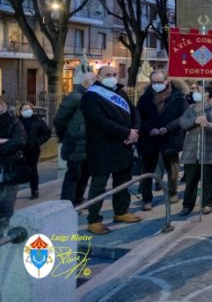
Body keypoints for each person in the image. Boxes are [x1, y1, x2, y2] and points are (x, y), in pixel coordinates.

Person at [81, 66, 142, 235]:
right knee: (98, 185)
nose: (113, 77)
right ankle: (93, 219)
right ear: (99, 77)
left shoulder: (119, 93)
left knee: (123, 181)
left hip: (124, 145)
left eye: (115, 74)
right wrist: (126, 132)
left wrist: (134, 131)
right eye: (108, 75)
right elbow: (99, 121)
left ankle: (121, 212)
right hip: (102, 147)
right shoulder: (91, 96)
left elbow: (134, 111)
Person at [136, 70, 187, 211]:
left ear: (167, 81)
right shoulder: (145, 98)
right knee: (147, 171)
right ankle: (147, 199)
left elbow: (182, 117)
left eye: (160, 82)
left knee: (172, 168)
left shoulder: (178, 97)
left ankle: (172, 192)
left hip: (170, 138)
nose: (157, 85)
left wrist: (168, 127)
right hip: (149, 139)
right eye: (154, 82)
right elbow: (139, 118)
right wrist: (149, 129)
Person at [178, 82, 212, 216]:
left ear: (207, 92)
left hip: (210, 150)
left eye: (197, 89)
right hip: (192, 150)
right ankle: (187, 205)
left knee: (208, 180)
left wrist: (209, 124)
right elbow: (182, 122)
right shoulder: (191, 108)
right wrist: (194, 121)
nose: (194, 91)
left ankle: (207, 204)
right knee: (190, 180)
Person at [56, 72, 95, 206]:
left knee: (85, 174)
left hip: (89, 144)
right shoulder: (75, 97)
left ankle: (78, 200)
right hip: (75, 144)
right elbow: (60, 120)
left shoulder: (91, 97)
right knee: (74, 175)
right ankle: (67, 204)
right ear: (87, 82)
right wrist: (65, 136)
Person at [0, 94, 27, 231]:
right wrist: (5, 141)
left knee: (6, 210)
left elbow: (19, 141)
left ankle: (3, 240)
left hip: (10, 170)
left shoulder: (13, 122)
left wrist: (3, 145)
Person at [18, 102, 51, 199]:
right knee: (18, 170)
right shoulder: (17, 121)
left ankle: (34, 190)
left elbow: (47, 133)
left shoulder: (38, 121)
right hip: (19, 150)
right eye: (24, 109)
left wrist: (37, 142)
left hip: (33, 149)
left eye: (28, 109)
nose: (27, 111)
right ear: (20, 111)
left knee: (32, 170)